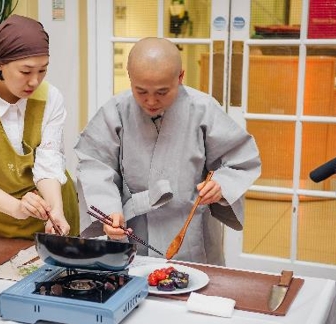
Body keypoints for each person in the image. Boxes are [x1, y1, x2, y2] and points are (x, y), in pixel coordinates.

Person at [74, 37, 261, 265]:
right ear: (130, 76)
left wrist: (221, 185)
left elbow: (240, 159)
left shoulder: (203, 109)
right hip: (133, 228)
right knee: (135, 290)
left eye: (162, 92)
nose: (151, 101)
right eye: (141, 91)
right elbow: (94, 164)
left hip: (189, 229)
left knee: (192, 290)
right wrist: (109, 211)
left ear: (180, 77)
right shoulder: (115, 111)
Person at [0, 15, 79, 239]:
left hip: (50, 210)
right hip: (1, 215)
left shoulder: (50, 97)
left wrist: (56, 209)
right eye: (26, 71)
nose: (35, 81)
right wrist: (17, 208)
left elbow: (49, 163)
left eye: (43, 70)